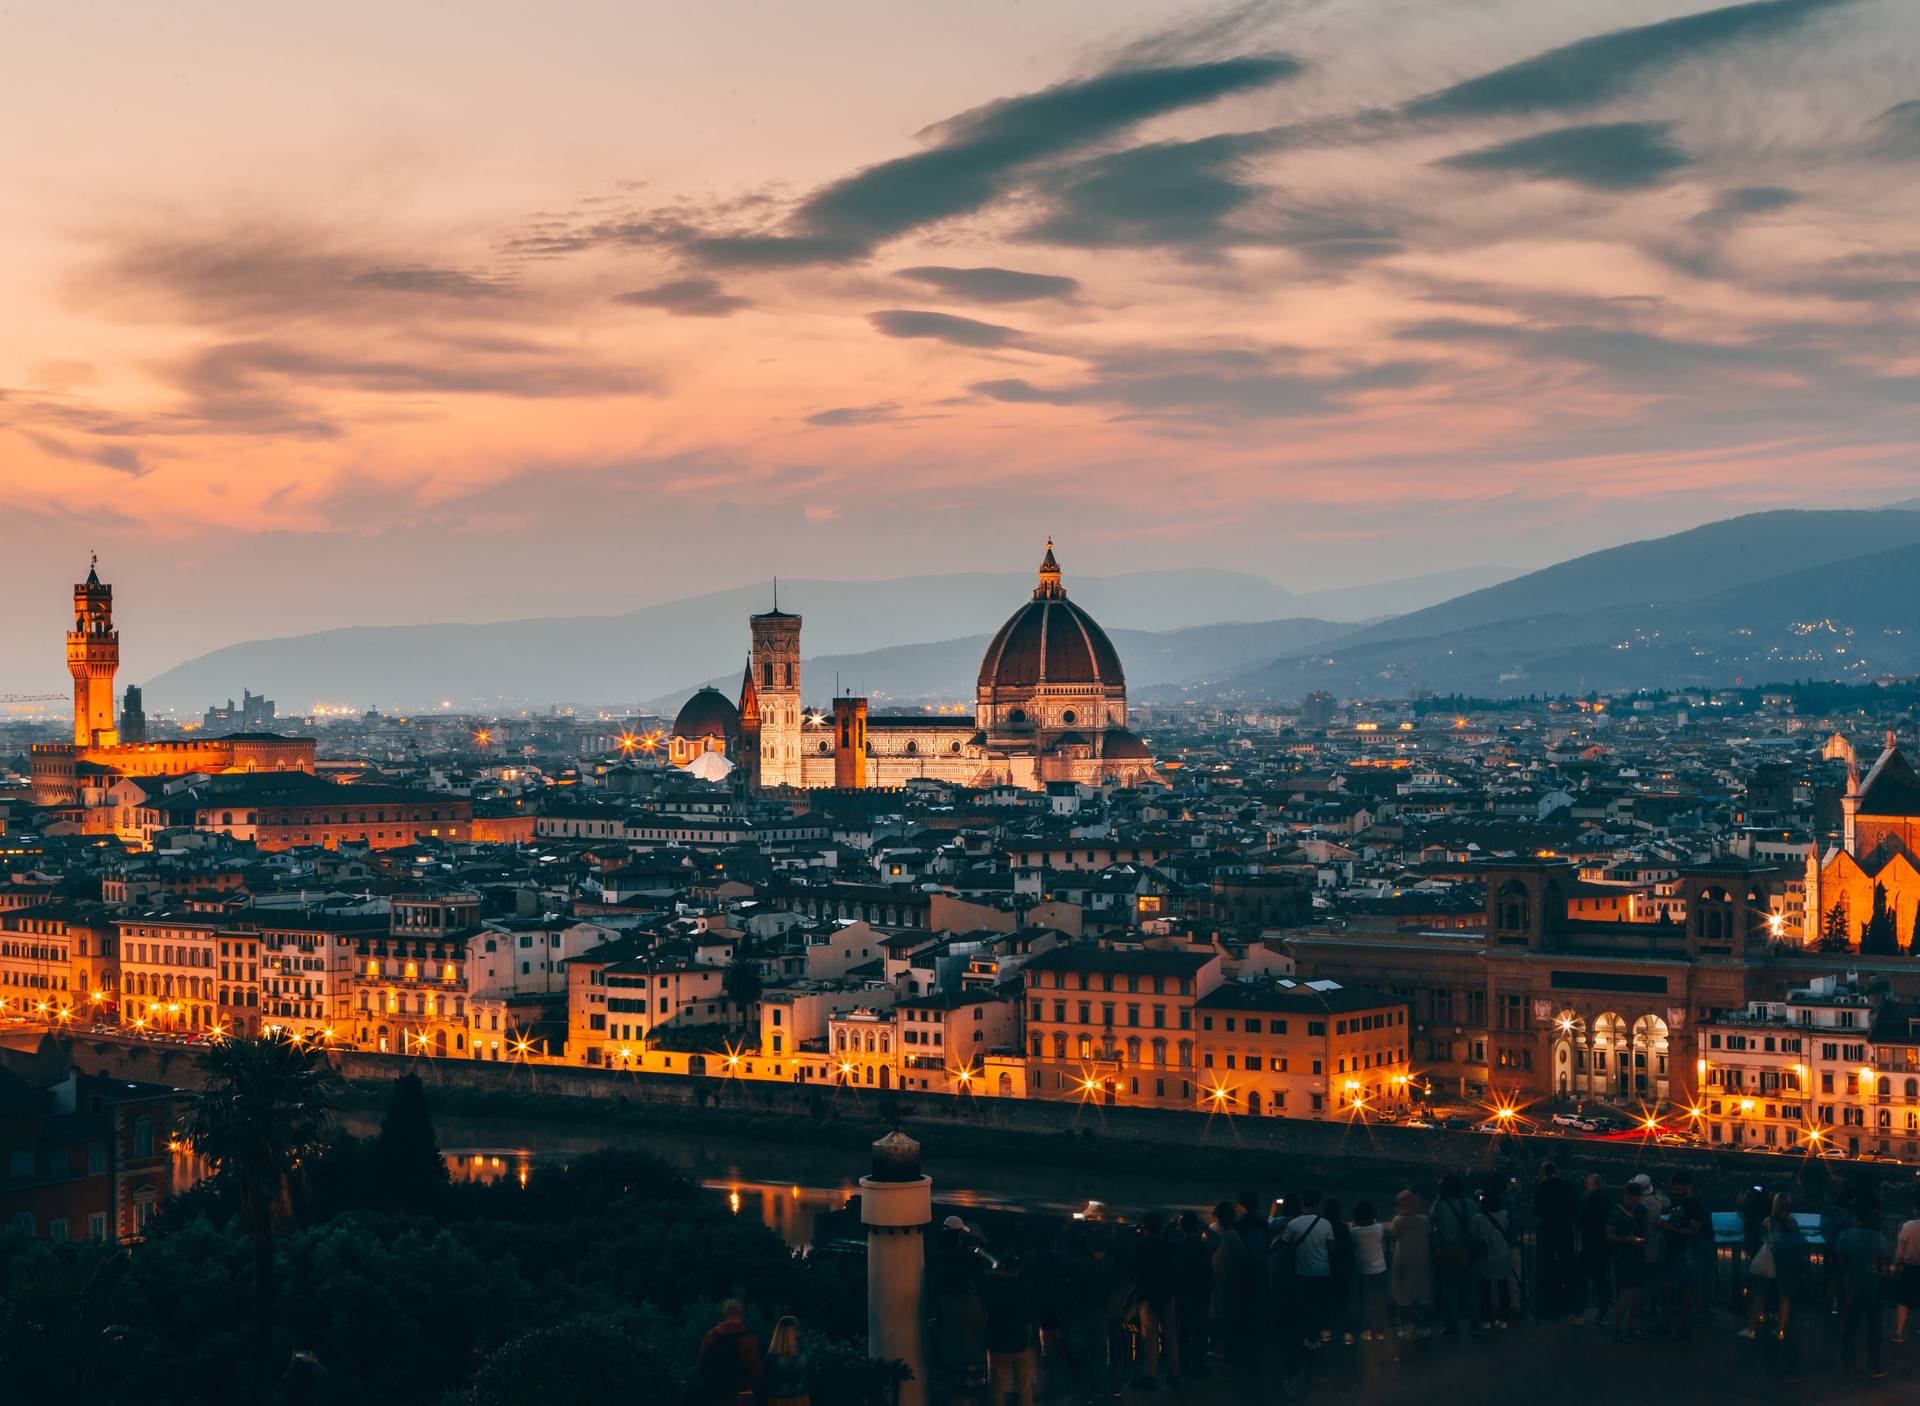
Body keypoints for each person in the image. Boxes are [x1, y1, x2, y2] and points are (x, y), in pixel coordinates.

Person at [1833, 1196, 1889, 1379]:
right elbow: (1884, 1264)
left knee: (1850, 1326)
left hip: (1852, 1285)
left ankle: (1847, 1361)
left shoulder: (1846, 1236)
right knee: (1874, 1327)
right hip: (1872, 1285)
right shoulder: (1879, 1238)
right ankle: (1873, 1362)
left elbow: (1841, 1263)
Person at [1277, 1189, 1336, 1347]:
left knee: (1303, 1306)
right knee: (1319, 1306)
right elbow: (1332, 1248)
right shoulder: (1325, 1224)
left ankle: (1304, 1337)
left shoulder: (1294, 1224)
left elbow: (1282, 1243)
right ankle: (1316, 1338)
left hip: (1302, 1272)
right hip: (1323, 1272)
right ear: (1318, 1203)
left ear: (1303, 1202)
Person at [1659, 1170, 1708, 1339]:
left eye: (1677, 1187)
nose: (1674, 1190)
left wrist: (1668, 1228)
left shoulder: (1694, 1206)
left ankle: (1680, 1326)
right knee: (1681, 1288)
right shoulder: (1685, 1203)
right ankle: (1678, 1326)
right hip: (1677, 1250)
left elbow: (1693, 1231)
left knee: (1681, 1288)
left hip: (1683, 1252)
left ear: (1686, 1186)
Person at [986, 1255, 1039, 1406]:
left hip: (998, 1343)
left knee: (999, 1388)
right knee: (1025, 1387)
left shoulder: (993, 1291)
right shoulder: (1025, 1288)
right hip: (1021, 1342)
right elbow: (1030, 1316)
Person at [1129, 1215, 1174, 1389]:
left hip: (1149, 1297)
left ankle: (1151, 1376)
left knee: (1150, 1338)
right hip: (1167, 1295)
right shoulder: (1166, 1245)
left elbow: (1140, 1274)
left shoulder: (1143, 1246)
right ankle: (1174, 1373)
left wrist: (1137, 1299)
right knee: (1171, 1336)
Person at [1429, 1174, 1477, 1337]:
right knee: (1471, 1289)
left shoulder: (1440, 1205)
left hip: (1448, 1251)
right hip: (1467, 1251)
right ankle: (1476, 1324)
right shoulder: (1469, 1203)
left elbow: (1432, 1221)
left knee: (1450, 1291)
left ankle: (1452, 1327)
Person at [1533, 1161, 1578, 1319]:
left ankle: (1547, 1303)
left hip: (1547, 1230)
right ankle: (1568, 1303)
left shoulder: (1541, 1188)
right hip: (1565, 1229)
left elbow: (1537, 1211)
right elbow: (1574, 1209)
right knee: (1567, 1264)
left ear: (1544, 1172)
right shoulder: (1568, 1186)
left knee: (1545, 1265)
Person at [1387, 1189, 1434, 1340]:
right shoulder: (1425, 1219)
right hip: (1423, 1259)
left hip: (1403, 1260)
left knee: (1403, 1295)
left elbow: (1395, 1235)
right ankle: (1423, 1327)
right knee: (1423, 1294)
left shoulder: (1398, 1221)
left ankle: (1407, 1328)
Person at [1606, 1177, 1649, 1342]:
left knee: (1636, 1293)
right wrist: (1627, 1240)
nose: (1634, 1200)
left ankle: (1629, 1327)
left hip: (1633, 1254)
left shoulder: (1628, 1211)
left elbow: (1609, 1234)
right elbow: (1609, 1235)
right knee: (1626, 1293)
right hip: (1625, 1255)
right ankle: (1620, 1328)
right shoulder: (1624, 1212)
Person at [698, 1300, 763, 1406]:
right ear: (741, 1314)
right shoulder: (748, 1339)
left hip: (718, 1395)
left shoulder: (711, 1336)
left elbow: (701, 1364)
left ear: (725, 1314)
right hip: (742, 1395)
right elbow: (755, 1368)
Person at [1171, 1212, 1213, 1378]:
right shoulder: (1203, 1246)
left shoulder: (1178, 1246)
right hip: (1201, 1293)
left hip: (1182, 1294)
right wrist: (1203, 1225)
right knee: (1200, 1331)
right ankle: (1200, 1364)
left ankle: (1183, 1365)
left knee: (1183, 1332)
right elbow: (1216, 1239)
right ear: (1196, 1226)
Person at [1208, 1200, 1248, 1371]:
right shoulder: (1234, 1235)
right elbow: (1243, 1259)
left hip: (1214, 1280)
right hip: (1230, 1281)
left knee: (1215, 1316)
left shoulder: (1211, 1230)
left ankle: (1218, 1349)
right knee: (1226, 1315)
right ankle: (1226, 1349)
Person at [1472, 1184, 1514, 1331]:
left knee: (1485, 1290)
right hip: (1503, 1254)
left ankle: (1485, 1320)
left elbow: (1475, 1235)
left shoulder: (1477, 1217)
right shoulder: (1504, 1214)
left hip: (1486, 1256)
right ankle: (1504, 1319)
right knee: (1503, 1288)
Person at [1573, 1174, 1613, 1327]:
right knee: (1602, 1280)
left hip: (1589, 1244)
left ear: (1591, 1185)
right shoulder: (1608, 1201)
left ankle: (1579, 1313)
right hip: (1603, 1245)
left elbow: (1580, 1220)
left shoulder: (1588, 1201)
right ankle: (1603, 1313)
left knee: (1581, 1279)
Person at [1350, 1201, 1390, 1343]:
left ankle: (1366, 1331)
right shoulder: (1378, 1228)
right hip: (1380, 1269)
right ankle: (1380, 1331)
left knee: (1365, 1302)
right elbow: (1376, 1223)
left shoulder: (1354, 1232)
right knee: (1379, 1301)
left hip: (1363, 1271)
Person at [763, 1316, 811, 1406]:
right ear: (794, 1332)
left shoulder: (772, 1357)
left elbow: (767, 1380)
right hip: (800, 1397)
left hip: (779, 1399)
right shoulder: (802, 1352)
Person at [1894, 1194, 1920, 1343]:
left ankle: (1899, 1332)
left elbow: (1900, 1251)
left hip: (1910, 1268)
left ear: (1916, 1209)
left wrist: (1896, 1264)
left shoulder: (1908, 1226)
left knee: (1903, 1300)